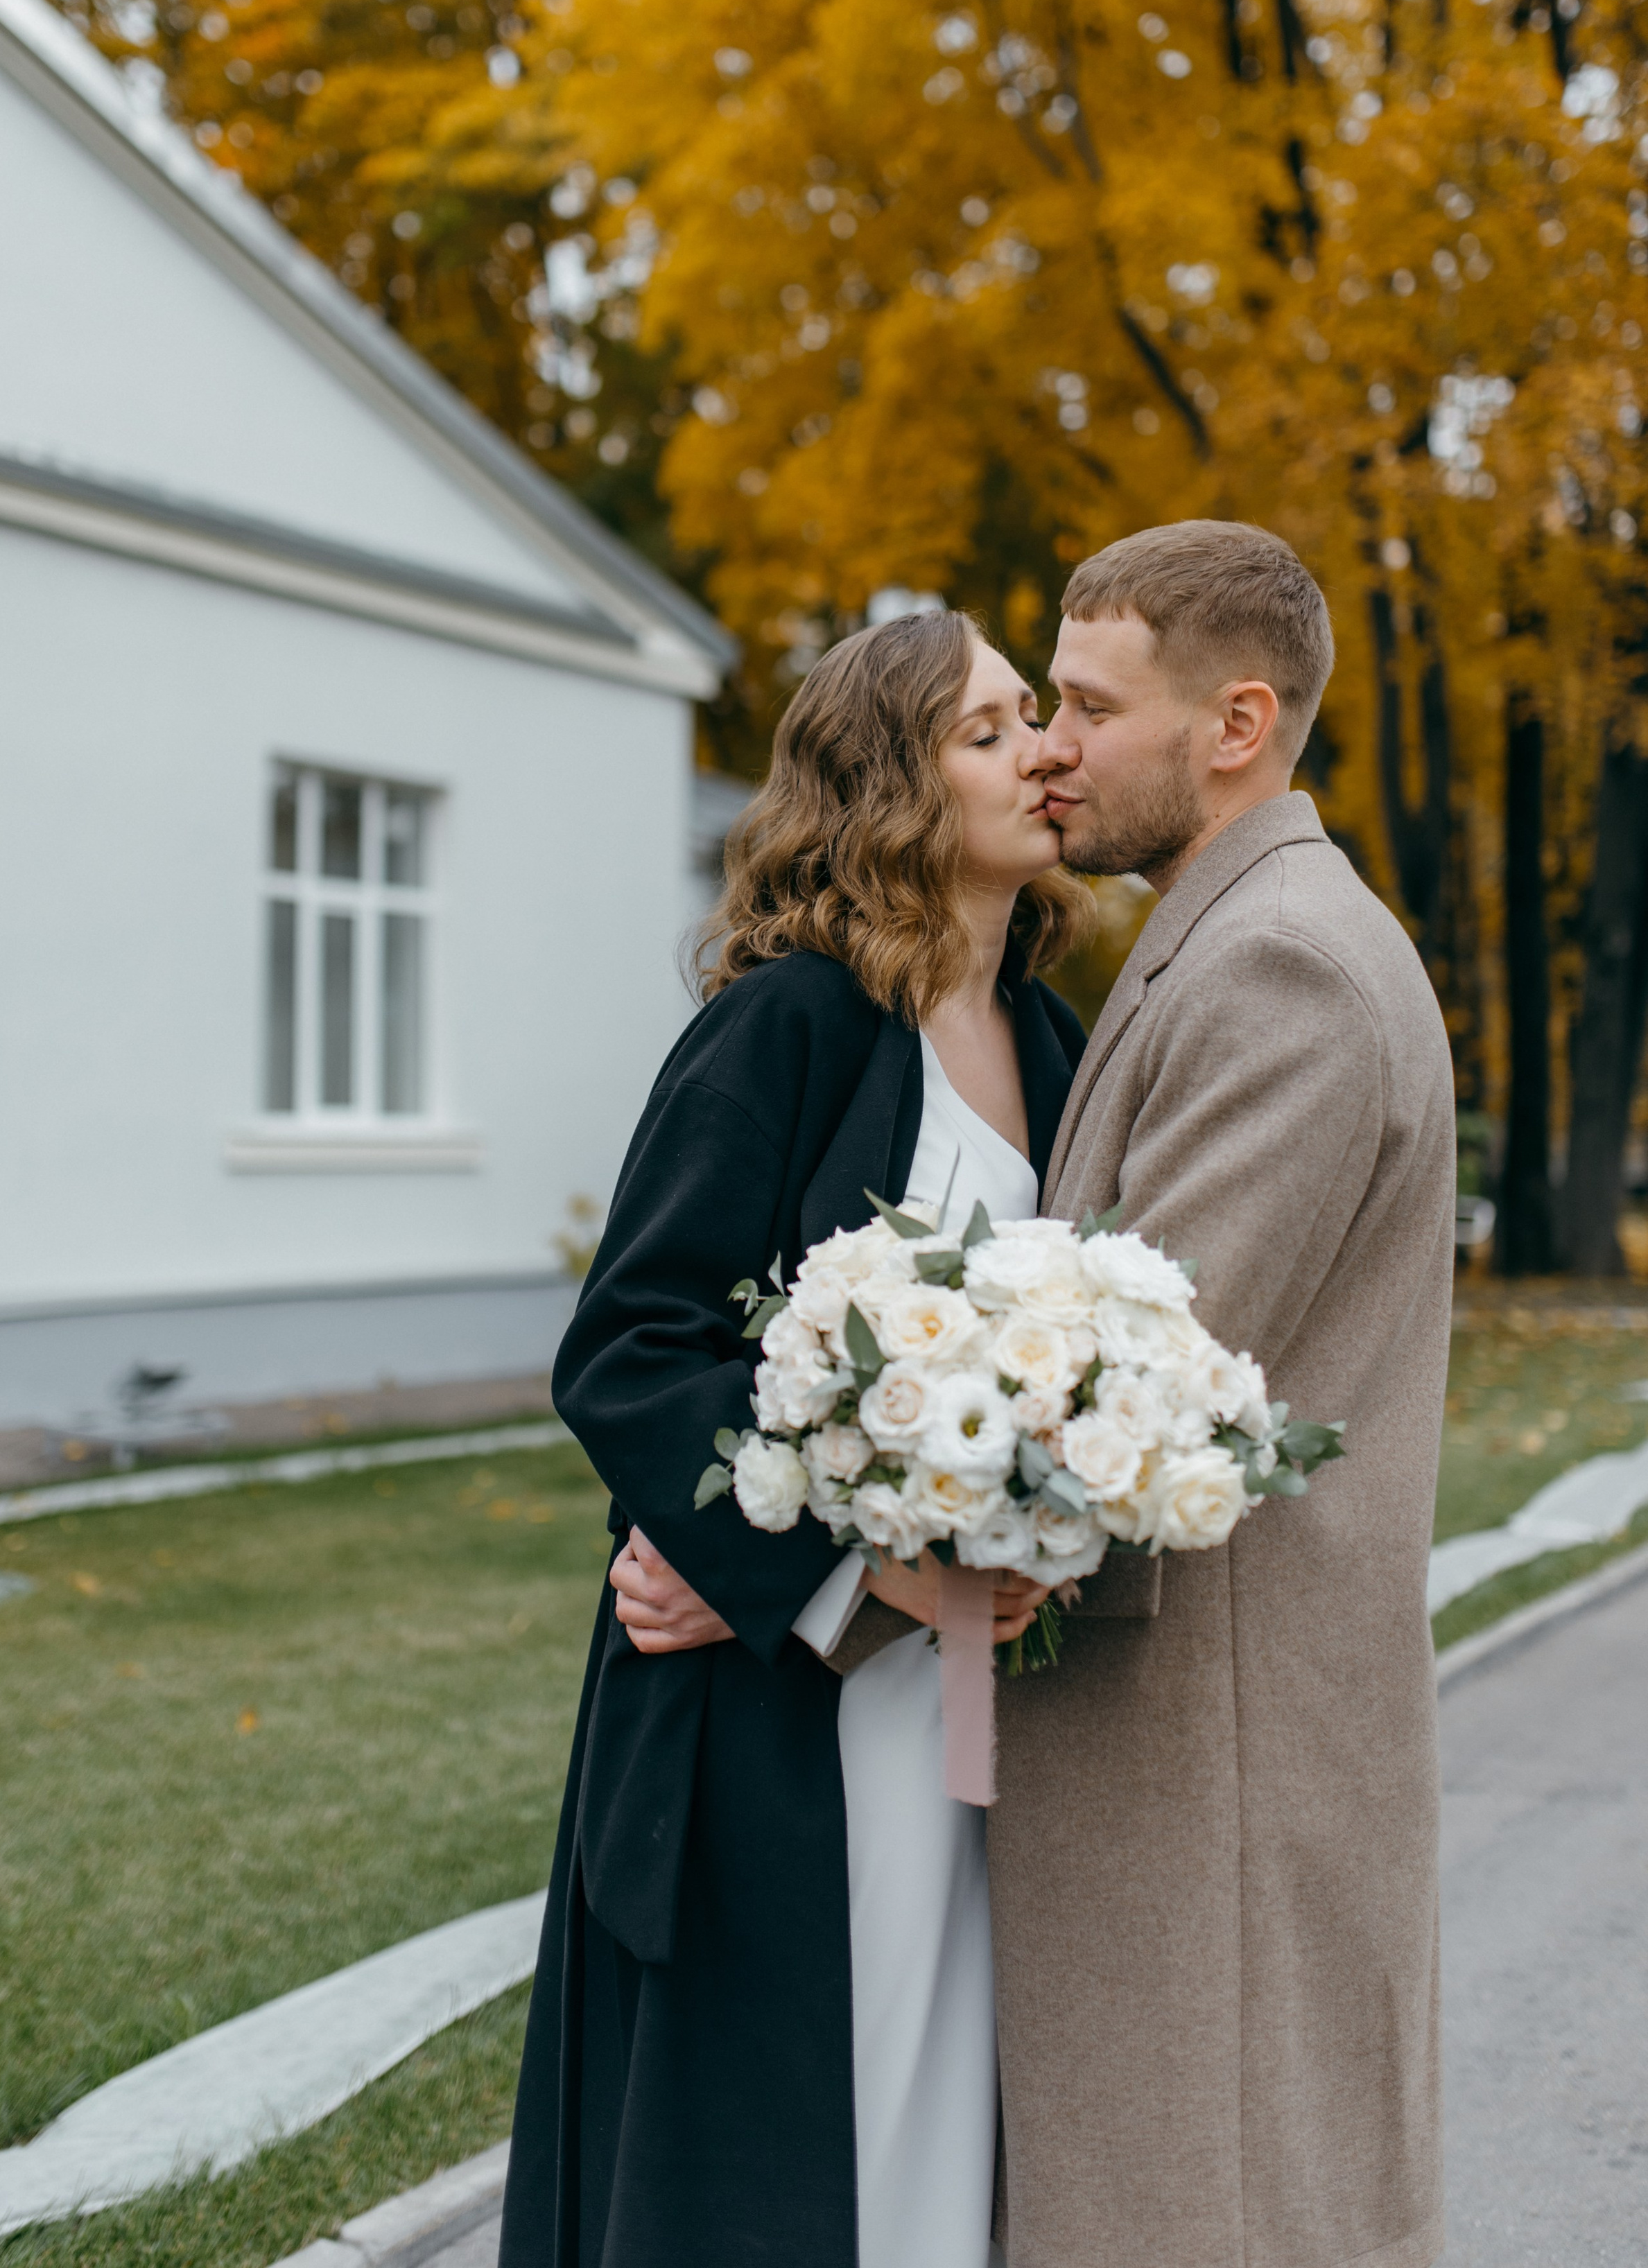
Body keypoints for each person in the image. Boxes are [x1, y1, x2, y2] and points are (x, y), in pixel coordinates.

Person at [498, 609, 1093, 2268]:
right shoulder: (790, 1026)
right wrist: (841, 1580)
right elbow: (628, 1345)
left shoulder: (1055, 1048)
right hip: (774, 1703)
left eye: (1034, 715)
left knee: (935, 2099)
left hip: (971, 1690)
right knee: (777, 2146)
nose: (1040, 748)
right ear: (892, 785)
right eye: (989, 729)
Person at [988, 521, 1455, 2268]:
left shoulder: (1283, 968)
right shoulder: (1226, 936)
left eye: (1089, 706)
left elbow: (1121, 1391)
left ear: (1234, 724)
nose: (1050, 744)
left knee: (1216, 2205)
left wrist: (788, 1586)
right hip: (1196, 1726)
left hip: (1215, 1741)